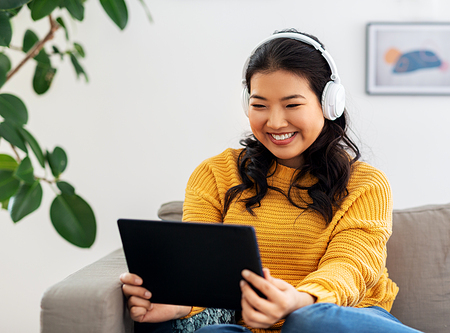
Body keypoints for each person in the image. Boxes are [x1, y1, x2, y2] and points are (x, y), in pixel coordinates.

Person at [120, 29, 422, 333]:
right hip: (247, 327)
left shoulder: (366, 184)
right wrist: (179, 302)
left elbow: (351, 266)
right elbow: (202, 275)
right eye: (260, 105)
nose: (275, 122)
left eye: (292, 105)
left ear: (329, 104)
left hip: (332, 319)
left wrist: (299, 300)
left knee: (307, 320)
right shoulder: (215, 174)